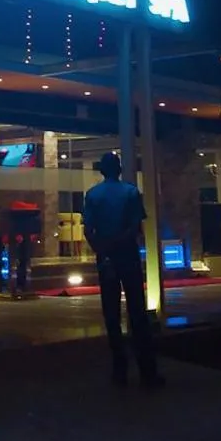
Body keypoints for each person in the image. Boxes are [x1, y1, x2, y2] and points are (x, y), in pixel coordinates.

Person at [83, 151, 163, 388]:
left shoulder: (92, 195)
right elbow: (135, 227)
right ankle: (147, 371)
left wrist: (102, 249)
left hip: (106, 257)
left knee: (111, 313)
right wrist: (120, 242)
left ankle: (119, 370)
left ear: (101, 170)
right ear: (119, 169)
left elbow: (88, 230)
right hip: (127, 254)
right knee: (137, 311)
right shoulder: (130, 192)